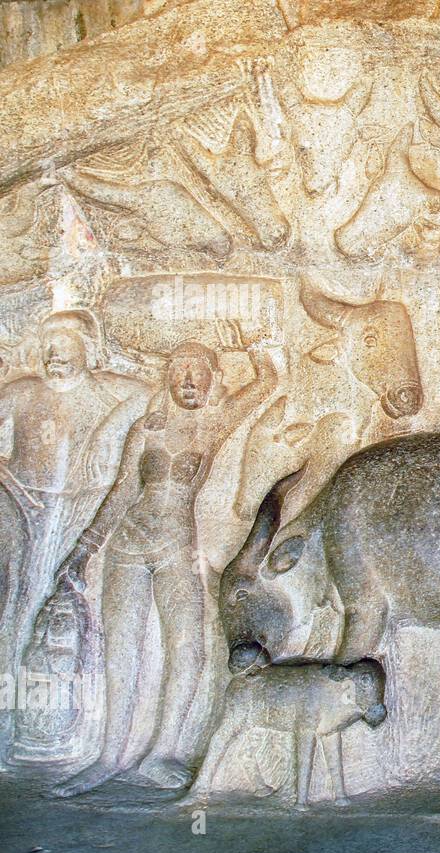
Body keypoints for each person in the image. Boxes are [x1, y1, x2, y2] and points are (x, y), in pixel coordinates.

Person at [50, 324, 277, 797]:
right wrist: (83, 550)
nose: (189, 380)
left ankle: (162, 751)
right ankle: (110, 755)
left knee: (188, 645)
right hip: (128, 545)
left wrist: (256, 345)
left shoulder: (212, 424)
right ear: (168, 378)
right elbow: (121, 493)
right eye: (180, 371)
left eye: (199, 372)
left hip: (176, 544)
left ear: (213, 379)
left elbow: (267, 385)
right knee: (122, 649)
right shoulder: (146, 429)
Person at [0, 309, 149, 760]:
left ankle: (78, 725)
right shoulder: (21, 393)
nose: (54, 356)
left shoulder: (109, 390)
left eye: (64, 346)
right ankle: (14, 723)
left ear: (89, 350)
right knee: (19, 609)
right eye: (48, 347)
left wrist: (110, 425)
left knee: (79, 616)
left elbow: (153, 394)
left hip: (85, 511)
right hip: (29, 514)